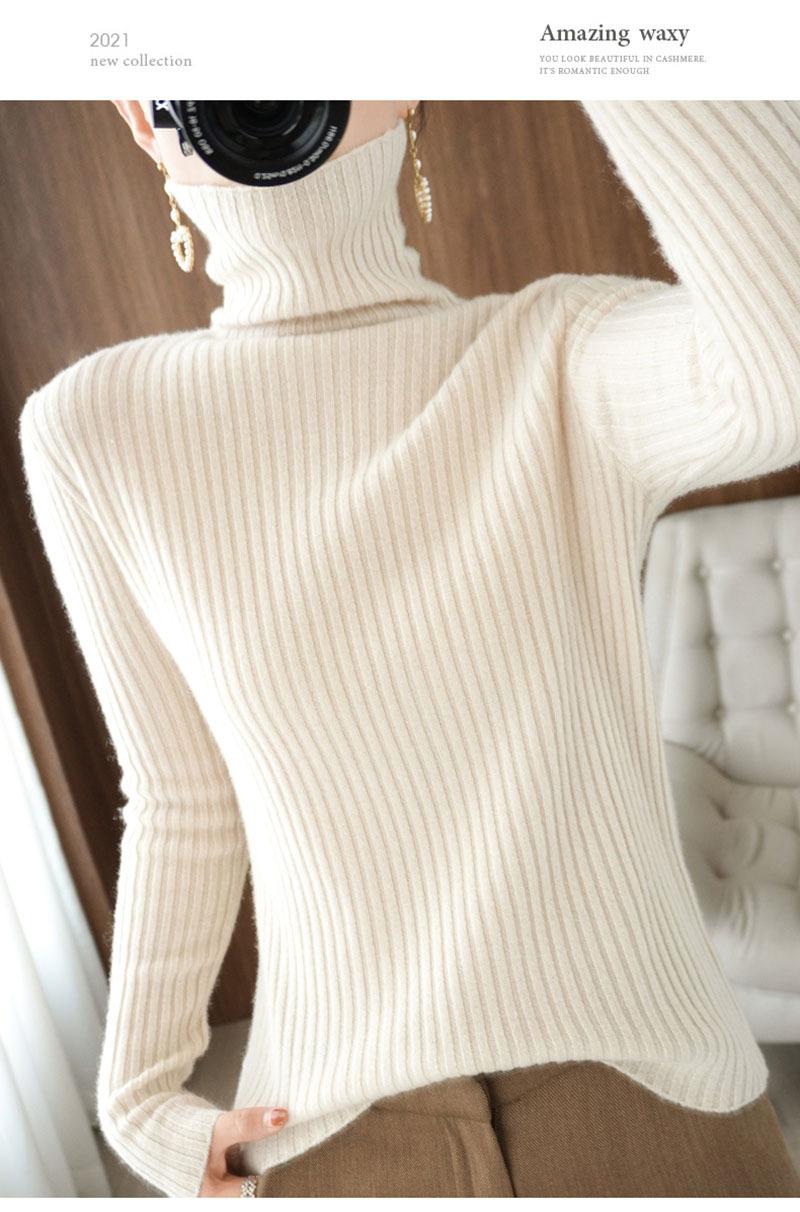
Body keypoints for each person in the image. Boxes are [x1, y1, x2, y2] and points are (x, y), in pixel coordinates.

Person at [18, 98, 800, 1198]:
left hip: (653, 1103)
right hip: (336, 1137)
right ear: (138, 112)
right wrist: (137, 1097)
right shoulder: (93, 429)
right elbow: (182, 795)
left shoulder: (560, 355)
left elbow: (778, 370)